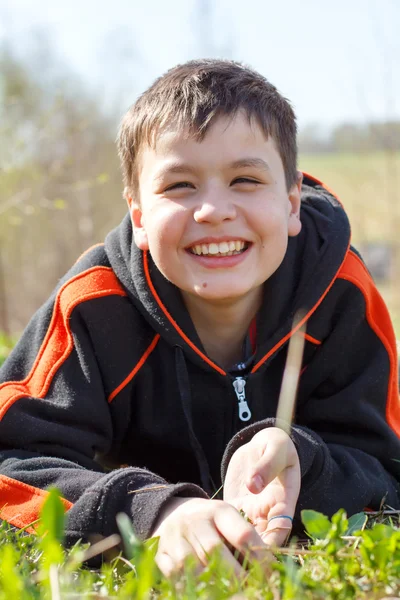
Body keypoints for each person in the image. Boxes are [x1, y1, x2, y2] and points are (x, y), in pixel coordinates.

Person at [0, 59, 399, 578]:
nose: (214, 210)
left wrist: (307, 462)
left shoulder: (340, 291)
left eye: (246, 179)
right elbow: (13, 457)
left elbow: (386, 465)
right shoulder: (92, 306)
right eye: (180, 186)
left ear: (292, 201)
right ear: (139, 215)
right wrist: (155, 512)